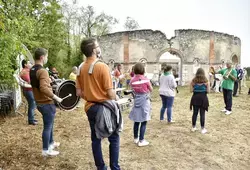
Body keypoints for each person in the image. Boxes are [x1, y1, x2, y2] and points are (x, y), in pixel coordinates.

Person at [76, 38, 121, 170]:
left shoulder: (80, 67)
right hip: (104, 108)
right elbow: (111, 93)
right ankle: (115, 167)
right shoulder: (102, 66)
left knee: (96, 139)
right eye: (97, 46)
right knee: (114, 137)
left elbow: (78, 92)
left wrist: (91, 96)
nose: (99, 47)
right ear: (94, 50)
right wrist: (116, 97)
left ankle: (101, 167)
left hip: (90, 107)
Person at [30, 48, 62, 156]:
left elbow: (39, 85)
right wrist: (55, 97)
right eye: (46, 56)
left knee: (50, 124)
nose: (47, 58)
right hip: (46, 102)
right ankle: (46, 150)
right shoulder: (42, 70)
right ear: (42, 57)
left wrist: (49, 81)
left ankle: (51, 143)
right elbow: (43, 88)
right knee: (48, 126)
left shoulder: (32, 69)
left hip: (39, 102)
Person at [129, 62, 152, 147]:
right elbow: (151, 89)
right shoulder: (145, 79)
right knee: (144, 120)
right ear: (143, 70)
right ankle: (142, 140)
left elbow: (131, 88)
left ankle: (136, 138)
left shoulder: (132, 80)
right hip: (144, 101)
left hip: (136, 100)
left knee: (136, 120)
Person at [190, 68, 210, 134]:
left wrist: (196, 89)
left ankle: (193, 127)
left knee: (195, 113)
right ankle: (202, 128)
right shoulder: (206, 81)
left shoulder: (193, 81)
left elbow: (191, 90)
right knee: (202, 114)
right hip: (203, 98)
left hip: (195, 98)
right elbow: (208, 91)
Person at [20, 59, 37, 125]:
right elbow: (30, 81)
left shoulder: (26, 71)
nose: (30, 64)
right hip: (28, 91)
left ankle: (31, 118)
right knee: (32, 105)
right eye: (29, 63)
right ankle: (31, 120)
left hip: (28, 90)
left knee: (32, 104)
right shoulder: (25, 72)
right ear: (25, 65)